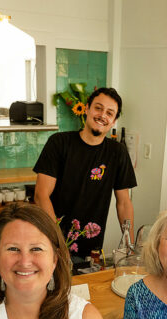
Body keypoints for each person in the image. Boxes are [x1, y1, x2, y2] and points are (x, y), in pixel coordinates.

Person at [34, 87, 136, 256]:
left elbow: (124, 202)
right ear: (87, 108)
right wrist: (58, 242)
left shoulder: (117, 152)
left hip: (92, 248)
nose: (102, 115)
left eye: (109, 113)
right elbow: (41, 195)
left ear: (114, 121)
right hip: (51, 242)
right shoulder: (59, 143)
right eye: (98, 108)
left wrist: (129, 245)